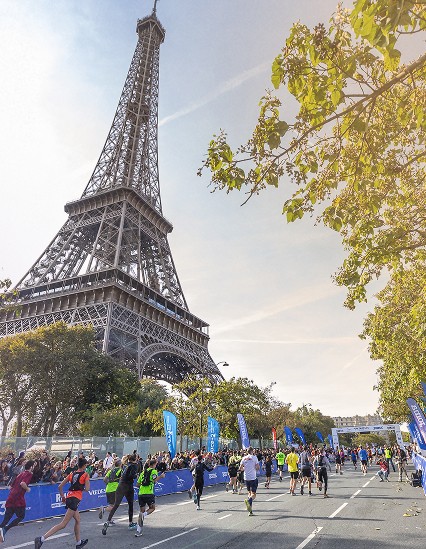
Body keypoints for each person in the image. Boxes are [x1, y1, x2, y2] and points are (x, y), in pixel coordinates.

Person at [34, 457, 90, 549]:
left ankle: (79, 542)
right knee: (63, 524)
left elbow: (60, 486)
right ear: (84, 465)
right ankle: (41, 539)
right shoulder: (85, 475)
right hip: (75, 499)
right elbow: (87, 489)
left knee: (78, 519)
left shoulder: (72, 474)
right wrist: (80, 488)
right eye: (86, 465)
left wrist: (63, 497)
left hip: (69, 497)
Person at [102, 454, 138, 535]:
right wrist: (136, 475)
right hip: (128, 486)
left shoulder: (125, 465)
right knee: (130, 505)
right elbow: (131, 475)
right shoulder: (134, 466)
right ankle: (130, 523)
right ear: (135, 459)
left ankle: (108, 521)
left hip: (120, 486)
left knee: (115, 505)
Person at [0, 460, 35, 544]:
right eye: (34, 465)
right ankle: (5, 529)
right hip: (18, 499)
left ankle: (2, 529)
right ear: (31, 467)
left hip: (11, 497)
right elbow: (23, 483)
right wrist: (27, 489)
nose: (34, 467)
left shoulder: (21, 473)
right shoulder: (29, 474)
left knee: (6, 519)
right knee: (21, 516)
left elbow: (11, 486)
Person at [135, 459, 165, 537]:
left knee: (141, 511)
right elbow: (155, 480)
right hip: (149, 493)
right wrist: (161, 476)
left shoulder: (143, 472)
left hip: (141, 493)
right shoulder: (154, 471)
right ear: (154, 464)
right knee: (152, 508)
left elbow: (137, 484)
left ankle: (138, 530)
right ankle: (144, 515)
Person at [239, 447, 260, 516]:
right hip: (253, 477)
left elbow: (240, 468)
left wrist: (245, 468)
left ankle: (250, 511)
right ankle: (249, 500)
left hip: (246, 477)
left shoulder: (244, 458)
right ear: (252, 451)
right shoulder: (254, 457)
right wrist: (254, 468)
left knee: (249, 492)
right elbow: (257, 467)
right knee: (253, 494)